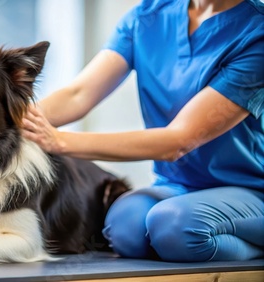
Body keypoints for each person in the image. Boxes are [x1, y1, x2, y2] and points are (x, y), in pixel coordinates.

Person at [22, 0, 263, 262]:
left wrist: (59, 140)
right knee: (124, 228)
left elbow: (178, 141)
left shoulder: (256, 33)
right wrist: (12, 119)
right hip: (176, 186)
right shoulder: (148, 15)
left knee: (175, 227)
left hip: (246, 190)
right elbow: (78, 94)